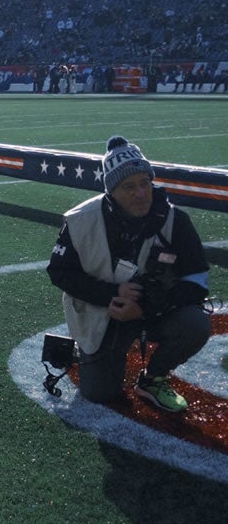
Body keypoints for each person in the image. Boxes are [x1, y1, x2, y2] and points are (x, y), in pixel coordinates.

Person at [47, 136, 211, 412]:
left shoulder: (176, 220)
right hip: (103, 313)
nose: (141, 192)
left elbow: (198, 280)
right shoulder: (80, 220)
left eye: (145, 183)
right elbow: (59, 272)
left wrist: (146, 305)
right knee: (100, 393)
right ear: (111, 191)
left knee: (196, 324)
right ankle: (86, 352)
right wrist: (111, 294)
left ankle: (153, 378)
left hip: (155, 311)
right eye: (129, 186)